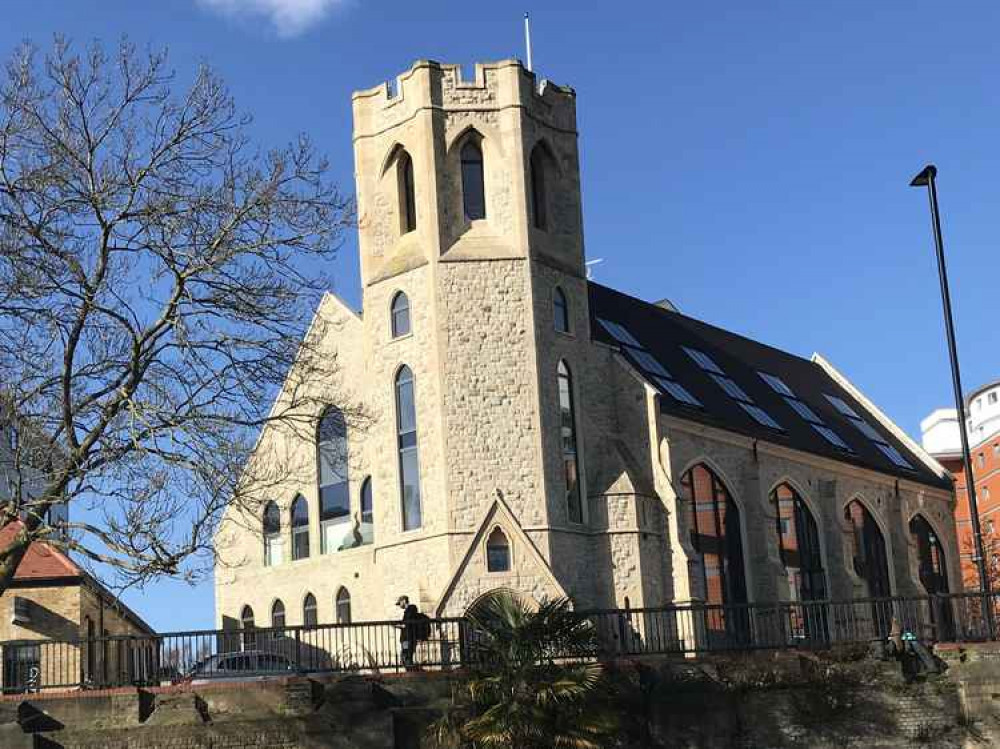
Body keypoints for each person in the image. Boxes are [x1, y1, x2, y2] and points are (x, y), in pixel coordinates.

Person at [396, 595, 419, 669]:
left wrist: (397, 626)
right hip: (408, 637)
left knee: (406, 656)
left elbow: (406, 625)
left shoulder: (410, 610)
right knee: (407, 656)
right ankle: (410, 670)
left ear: (404, 601)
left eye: (400, 603)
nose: (399, 605)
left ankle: (410, 672)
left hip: (407, 637)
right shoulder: (410, 610)